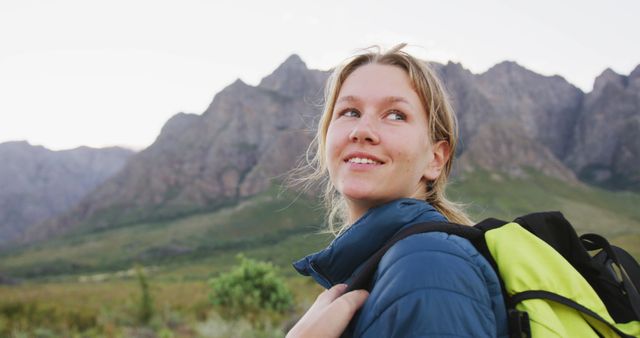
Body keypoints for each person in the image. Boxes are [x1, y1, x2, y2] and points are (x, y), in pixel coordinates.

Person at [288, 44, 510, 337]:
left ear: (435, 159)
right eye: (350, 111)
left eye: (395, 115)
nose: (362, 130)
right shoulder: (390, 265)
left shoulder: (428, 266)